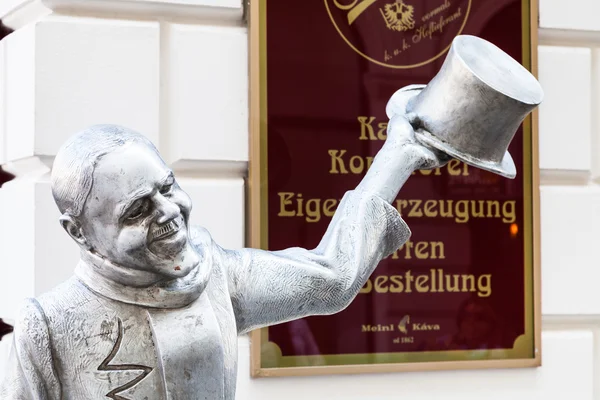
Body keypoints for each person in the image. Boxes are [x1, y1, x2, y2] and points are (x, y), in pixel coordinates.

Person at [0, 89, 449, 399]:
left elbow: (330, 278)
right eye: (137, 210)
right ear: (78, 231)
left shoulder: (217, 275)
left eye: (168, 186)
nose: (170, 212)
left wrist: (400, 153)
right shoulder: (49, 326)